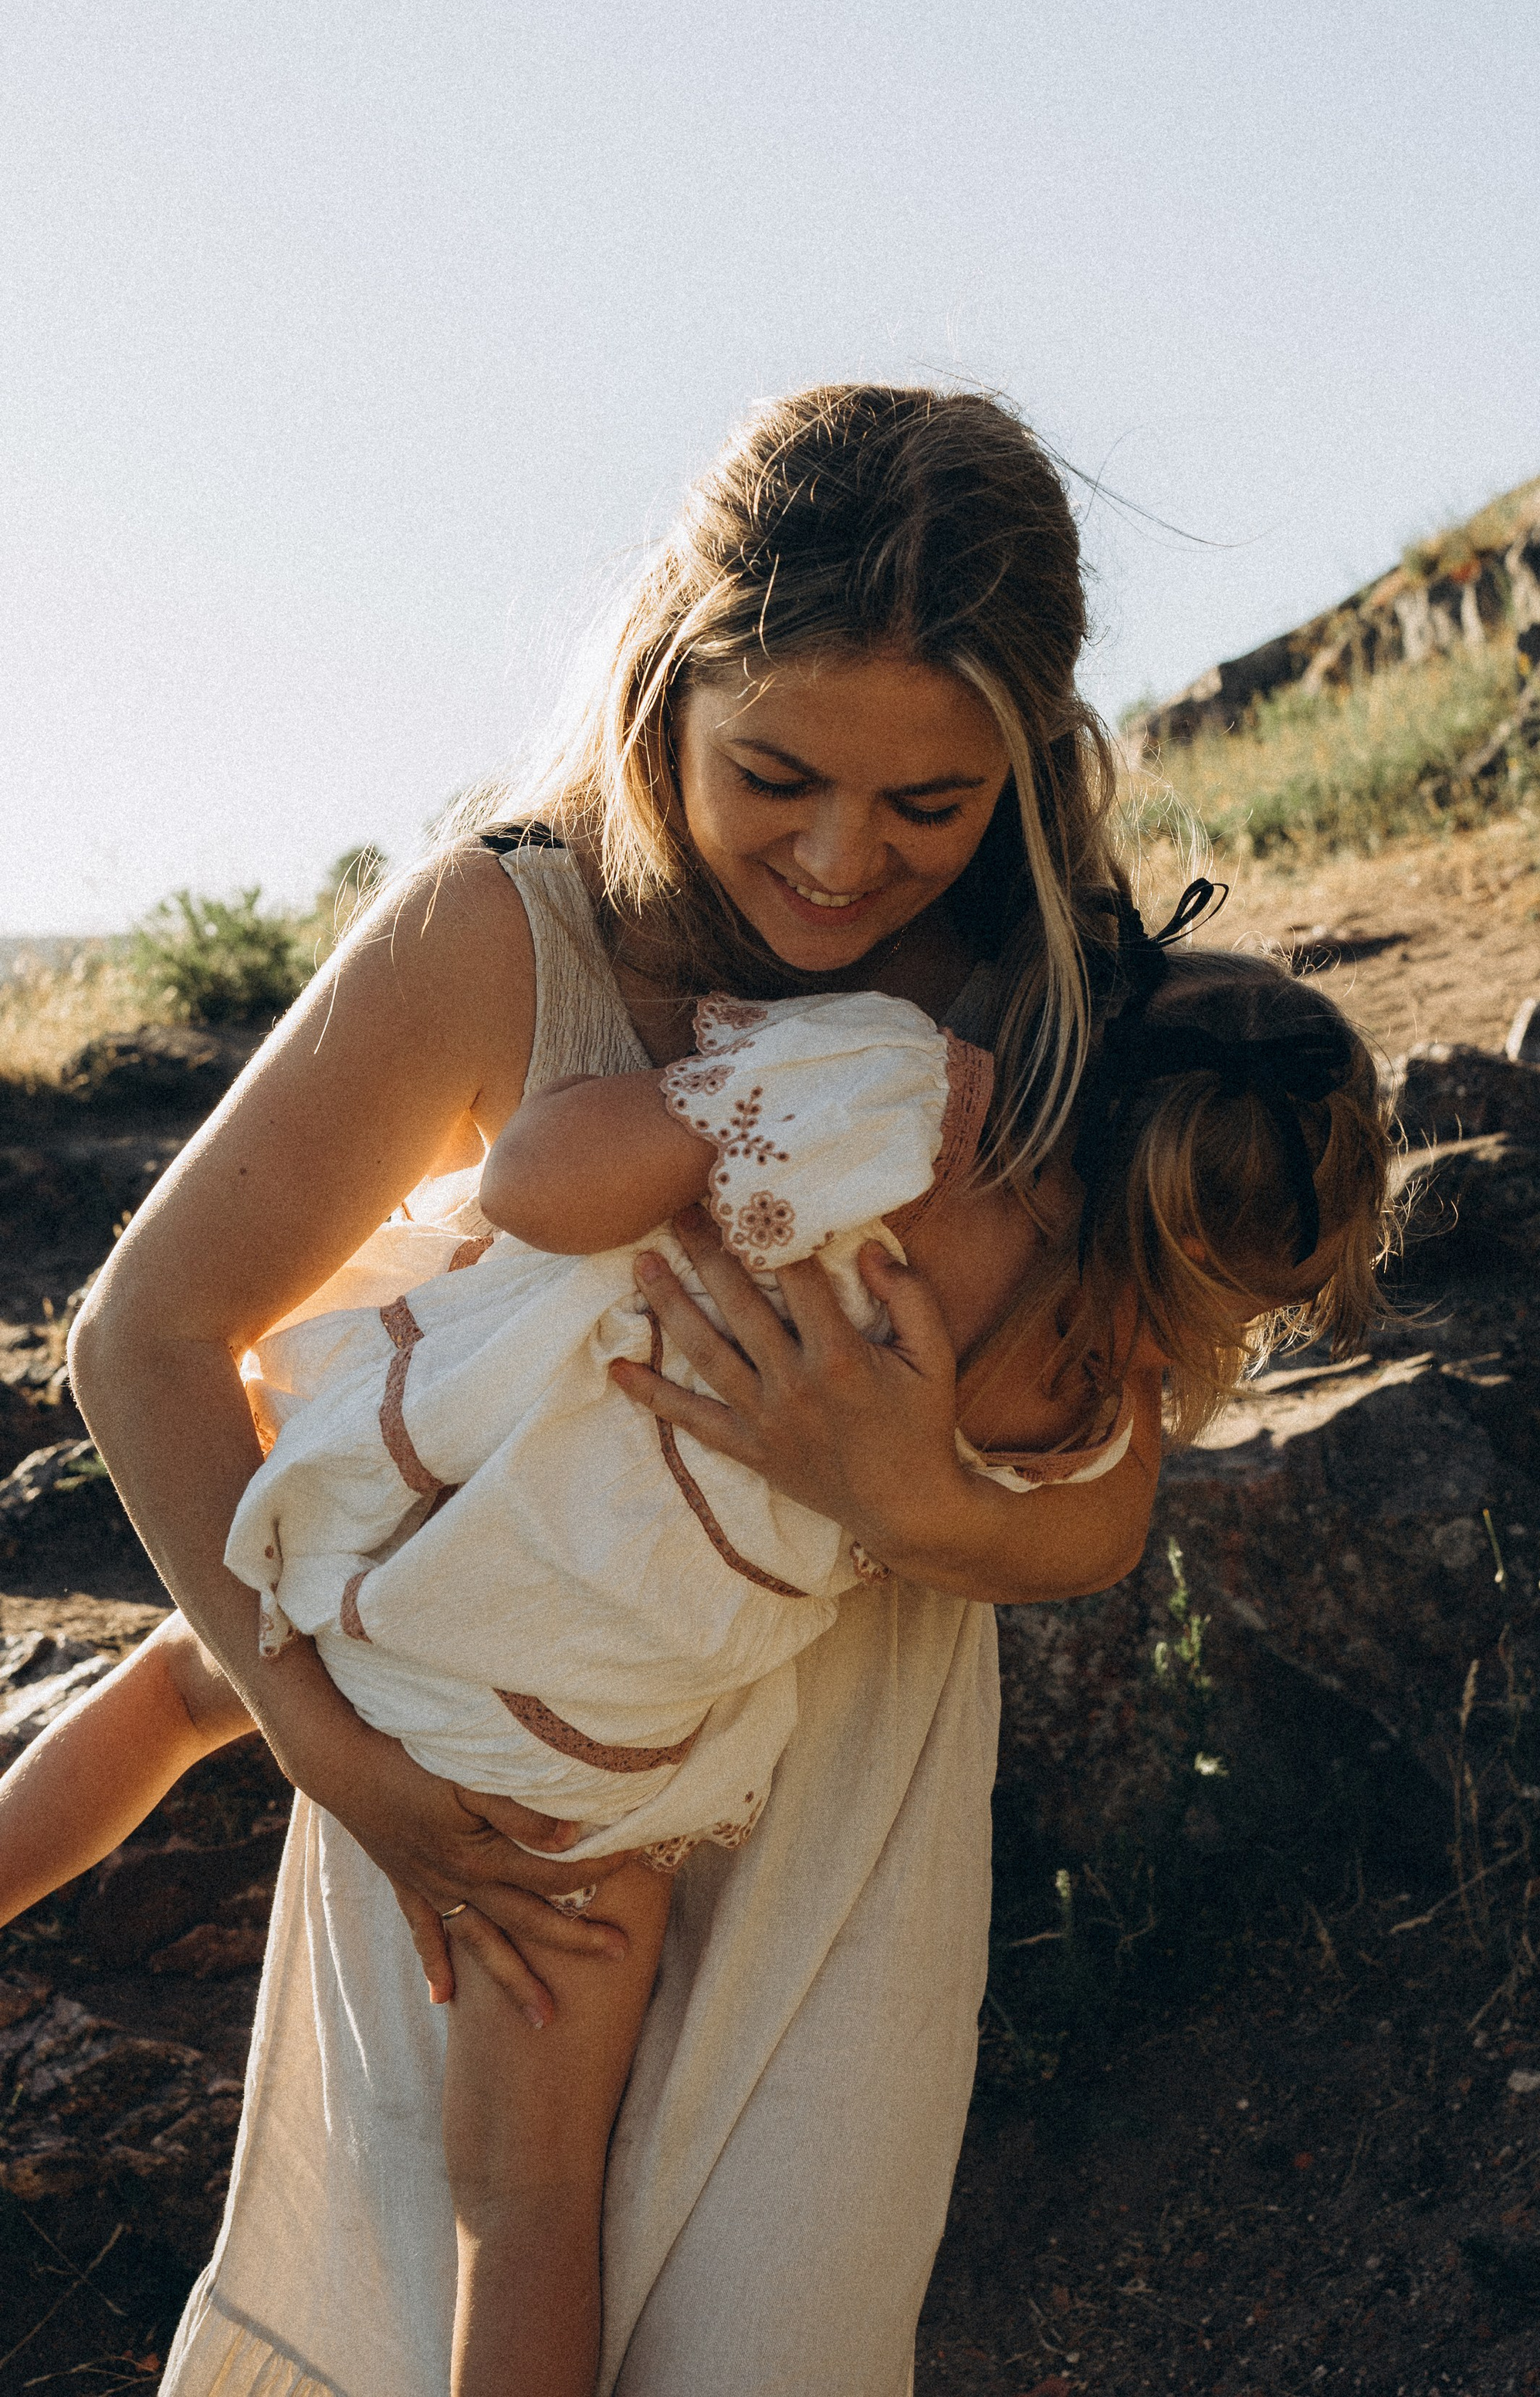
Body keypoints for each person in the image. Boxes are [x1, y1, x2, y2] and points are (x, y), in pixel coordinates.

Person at [59, 384, 1370, 2395]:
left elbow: (1103, 1510)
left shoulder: (1059, 1026)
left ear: (1025, 770)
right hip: (495, 1772)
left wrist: (889, 1480)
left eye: (931, 808)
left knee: (776, 2343)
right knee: (442, 2305)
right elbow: (141, 1339)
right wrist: (342, 1753)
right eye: (777, 774)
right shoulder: (502, 935)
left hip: (840, 1801)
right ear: (667, 688)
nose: (846, 862)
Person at [5, 933, 1389, 2397]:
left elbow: (535, 1182)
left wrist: (691, 1097)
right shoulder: (1088, 1395)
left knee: (166, 1697)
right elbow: (1083, 1551)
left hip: (419, 1536)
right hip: (576, 1752)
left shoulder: (897, 1095)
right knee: (523, 2210)